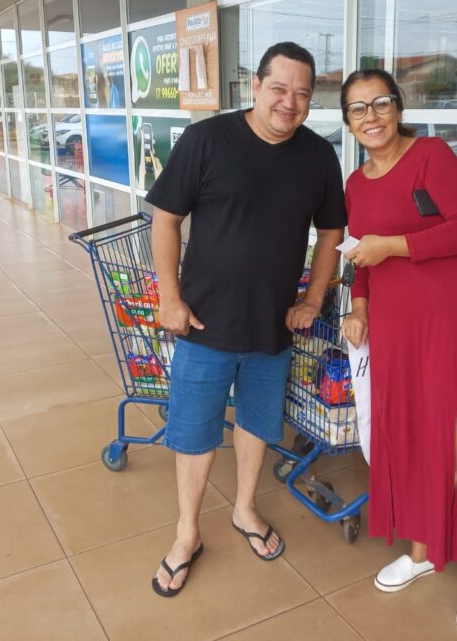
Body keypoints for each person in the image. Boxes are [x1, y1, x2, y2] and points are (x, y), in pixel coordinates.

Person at [145, 42, 346, 597]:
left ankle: (245, 509)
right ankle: (187, 533)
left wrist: (314, 298)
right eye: (279, 88)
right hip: (203, 322)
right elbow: (166, 219)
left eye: (302, 93)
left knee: (258, 422)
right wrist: (170, 297)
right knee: (194, 431)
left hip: (272, 326)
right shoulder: (207, 139)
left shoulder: (317, 156)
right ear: (254, 86)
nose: (290, 102)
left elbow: (332, 231)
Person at [339, 69, 457, 631]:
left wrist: (393, 245)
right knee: (410, 432)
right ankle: (421, 548)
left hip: (449, 320)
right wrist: (359, 307)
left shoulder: (430, 157)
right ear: (347, 122)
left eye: (380, 103)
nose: (371, 116)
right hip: (395, 328)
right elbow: (360, 257)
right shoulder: (355, 184)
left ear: (398, 107)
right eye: (357, 109)